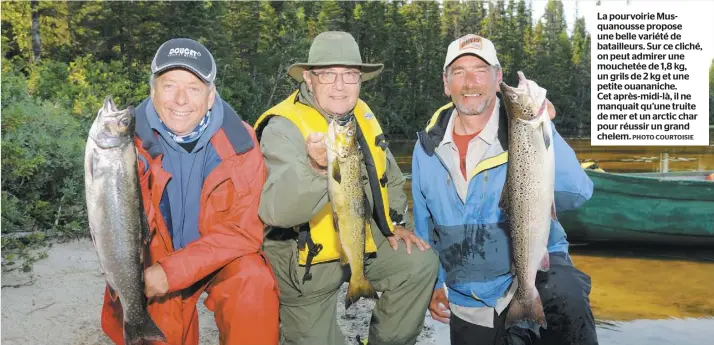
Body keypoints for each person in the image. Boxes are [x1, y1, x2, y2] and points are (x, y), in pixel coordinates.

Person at [411, 34, 599, 345]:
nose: (471, 82)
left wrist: (545, 126)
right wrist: (434, 283)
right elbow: (424, 225)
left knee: (567, 294)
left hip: (539, 279)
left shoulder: (527, 131)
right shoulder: (426, 148)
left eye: (481, 70)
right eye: (459, 72)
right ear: (446, 84)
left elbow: (577, 193)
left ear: (498, 78)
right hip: (469, 298)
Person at [253, 31, 439, 345]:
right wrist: (315, 168)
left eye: (350, 75)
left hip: (358, 235)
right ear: (309, 79)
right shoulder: (283, 126)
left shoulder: (361, 115)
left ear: (360, 80)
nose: (340, 86)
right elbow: (276, 212)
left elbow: (389, 175)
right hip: (304, 260)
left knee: (419, 262)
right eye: (328, 75)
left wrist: (395, 224)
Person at [100, 38, 280, 345]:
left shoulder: (242, 142)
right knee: (155, 328)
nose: (181, 99)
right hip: (156, 257)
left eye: (194, 88)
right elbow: (118, 228)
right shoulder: (124, 147)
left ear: (211, 96)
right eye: (169, 85)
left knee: (253, 283)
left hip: (218, 256)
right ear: (152, 89)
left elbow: (244, 231)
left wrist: (174, 271)